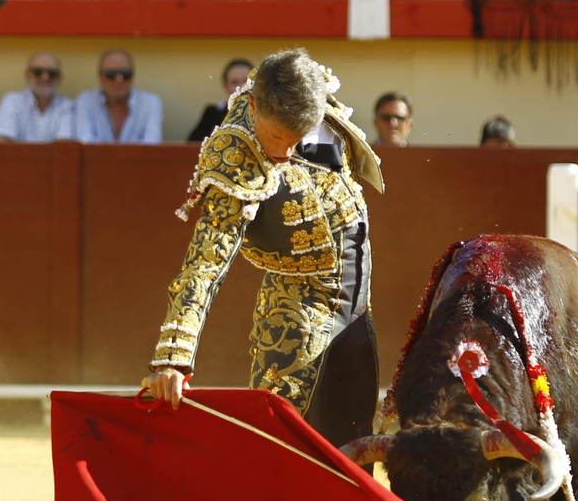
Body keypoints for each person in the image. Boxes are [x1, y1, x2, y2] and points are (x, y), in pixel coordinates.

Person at [144, 48, 385, 449]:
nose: (285, 153)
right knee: (283, 442)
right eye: (276, 137)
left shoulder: (306, 90)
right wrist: (173, 357)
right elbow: (205, 263)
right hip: (297, 310)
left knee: (355, 442)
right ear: (254, 105)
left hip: (358, 302)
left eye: (297, 139)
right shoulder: (235, 153)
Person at [75, 48, 164, 143]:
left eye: (126, 74)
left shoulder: (150, 102)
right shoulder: (86, 100)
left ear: (133, 76)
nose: (119, 80)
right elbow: (85, 142)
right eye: (111, 74)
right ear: (100, 77)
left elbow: (152, 145)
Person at [0, 53, 76, 141]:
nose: (45, 77)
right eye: (38, 72)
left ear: (60, 78)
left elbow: (64, 147)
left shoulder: (68, 106)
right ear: (27, 75)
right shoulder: (12, 101)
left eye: (52, 73)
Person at [187, 57, 253, 140]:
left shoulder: (265, 113)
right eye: (234, 82)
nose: (241, 87)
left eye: (246, 81)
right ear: (226, 86)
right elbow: (193, 147)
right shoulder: (213, 113)